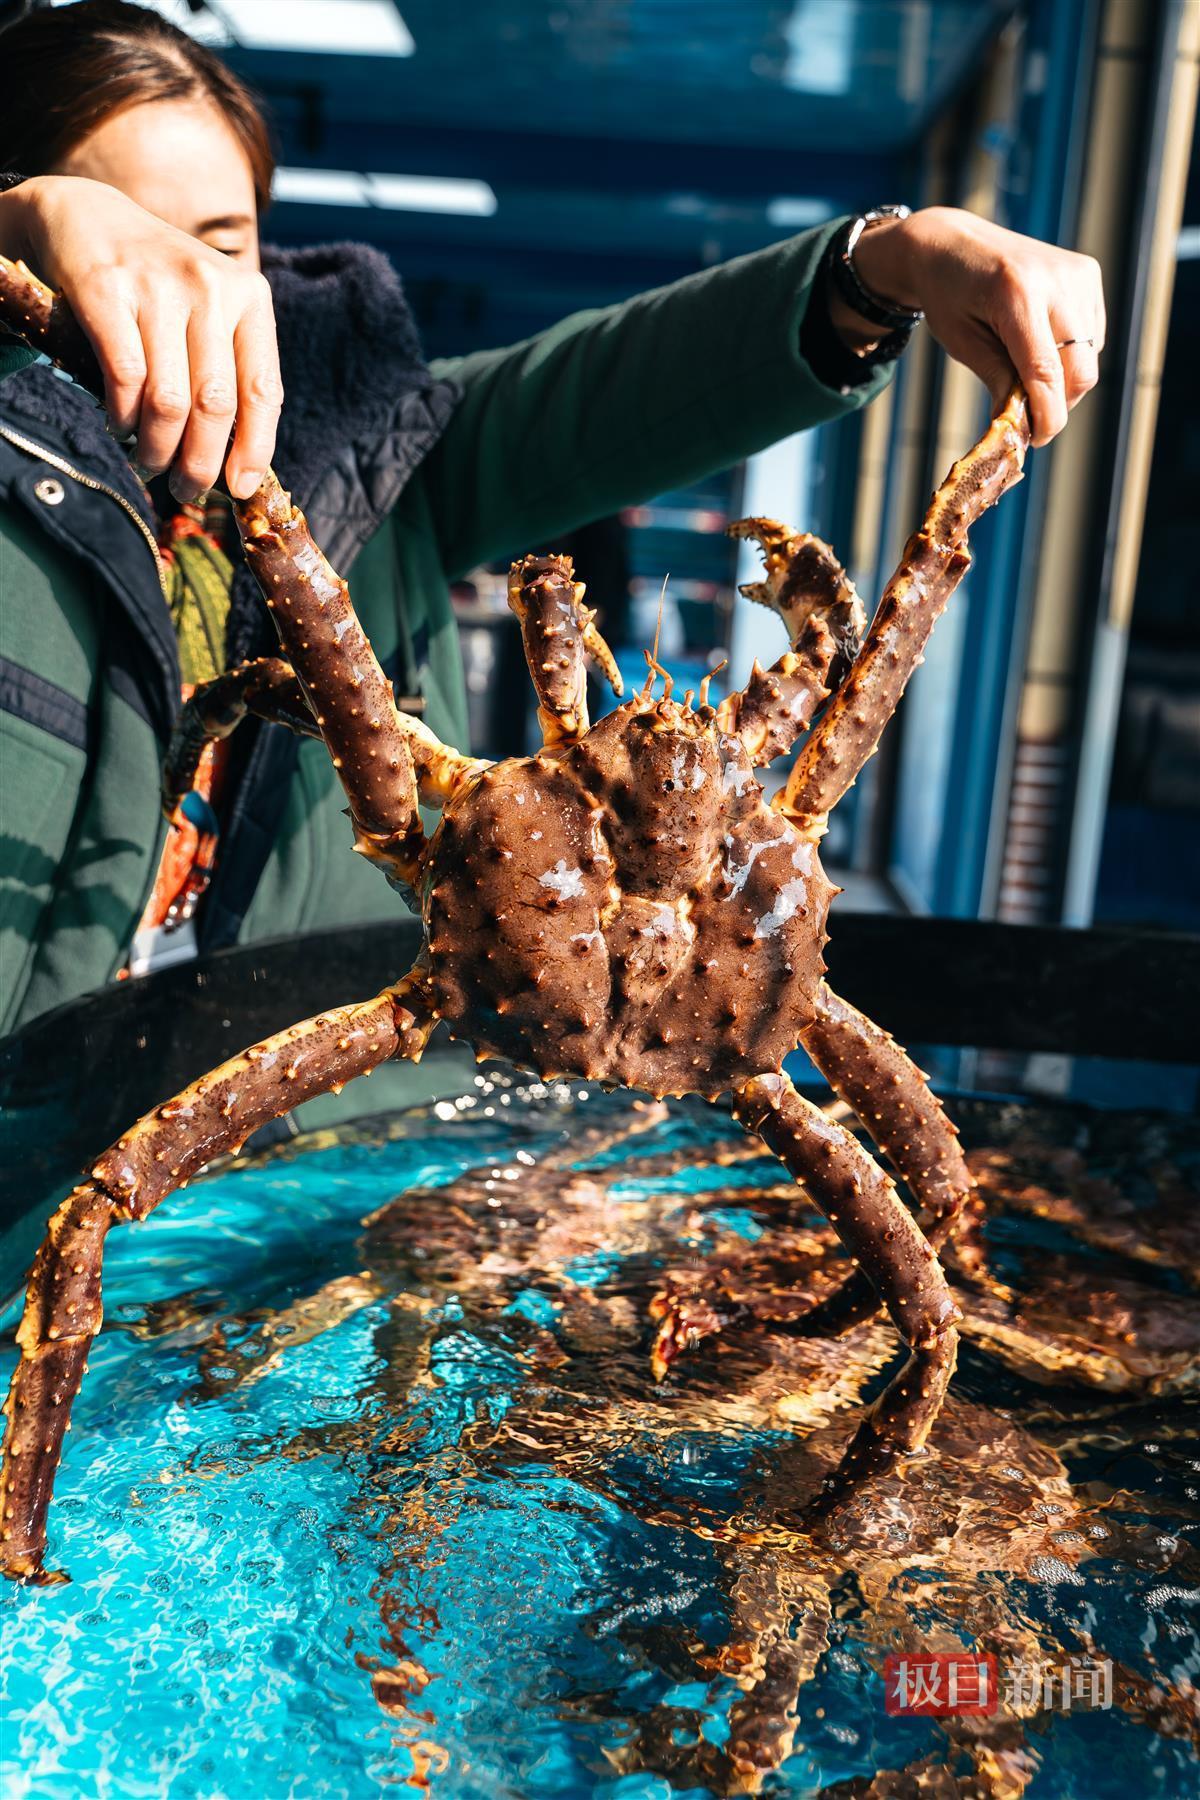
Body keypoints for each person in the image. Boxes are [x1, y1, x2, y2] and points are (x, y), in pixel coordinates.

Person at [0, 1, 1103, 1042]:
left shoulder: (378, 442)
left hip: (329, 1136)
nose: (181, 277)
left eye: (220, 239)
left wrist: (884, 267)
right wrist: (18, 227)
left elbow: (621, 385)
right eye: (127, 228)